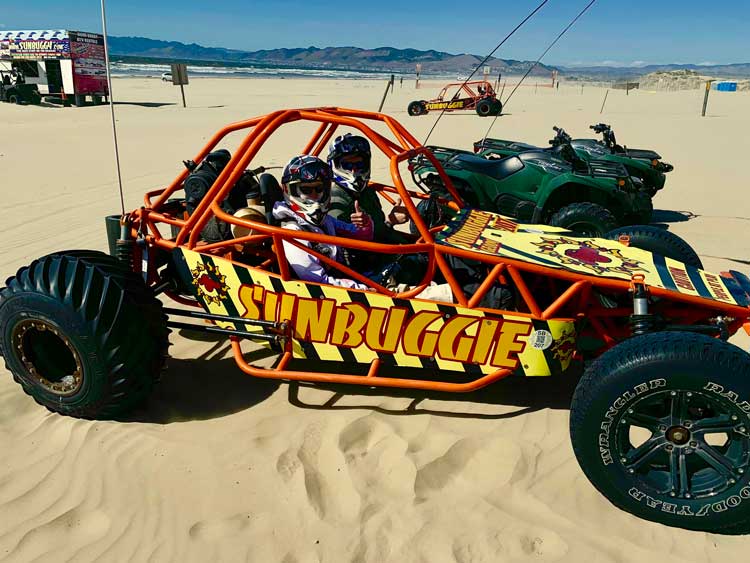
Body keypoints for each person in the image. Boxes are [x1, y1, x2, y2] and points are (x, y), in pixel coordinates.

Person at [273, 155, 373, 289]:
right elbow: (317, 282)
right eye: (306, 190)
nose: (314, 196)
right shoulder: (292, 231)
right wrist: (365, 289)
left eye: (319, 189)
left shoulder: (325, 221)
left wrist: (364, 225)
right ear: (289, 190)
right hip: (324, 297)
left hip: (346, 282)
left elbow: (362, 238)